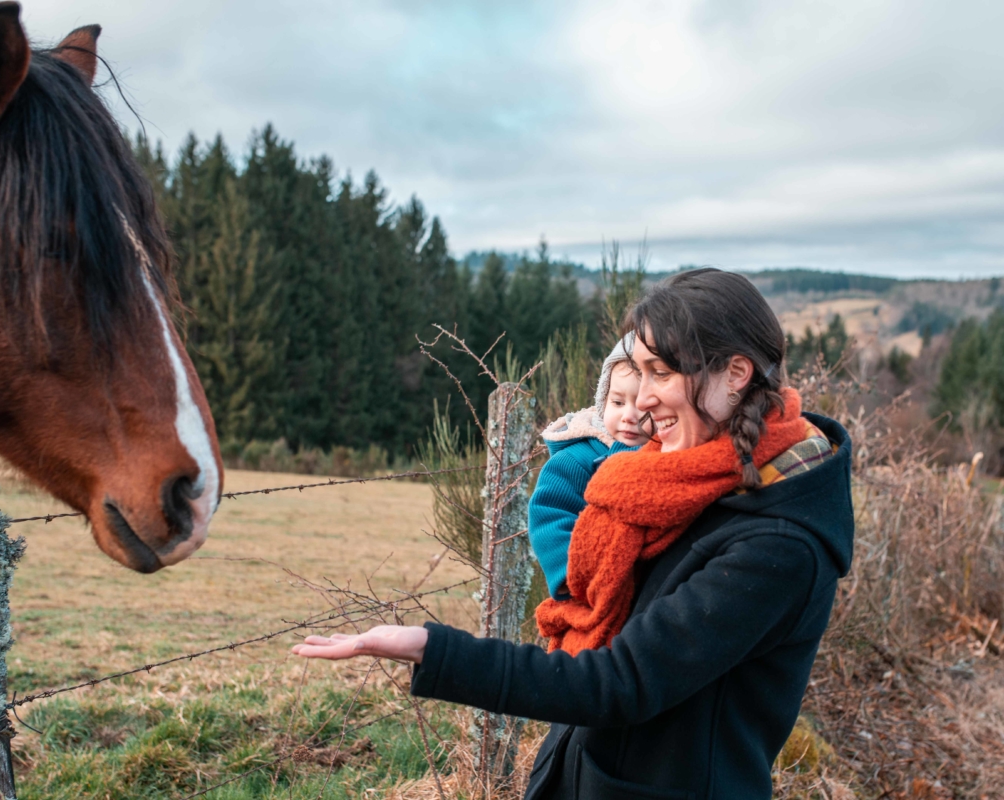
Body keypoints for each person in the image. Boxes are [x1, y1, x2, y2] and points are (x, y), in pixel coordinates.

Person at [294, 268, 854, 800]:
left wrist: (431, 649)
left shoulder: (778, 545)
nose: (643, 397)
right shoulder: (684, 481)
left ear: (735, 374)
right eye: (638, 372)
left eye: (662, 373)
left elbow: (616, 683)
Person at [530, 338, 645, 600]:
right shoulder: (576, 459)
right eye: (617, 403)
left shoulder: (668, 454)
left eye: (641, 404)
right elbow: (549, 515)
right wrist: (572, 576)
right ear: (603, 400)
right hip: (591, 587)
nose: (629, 415)